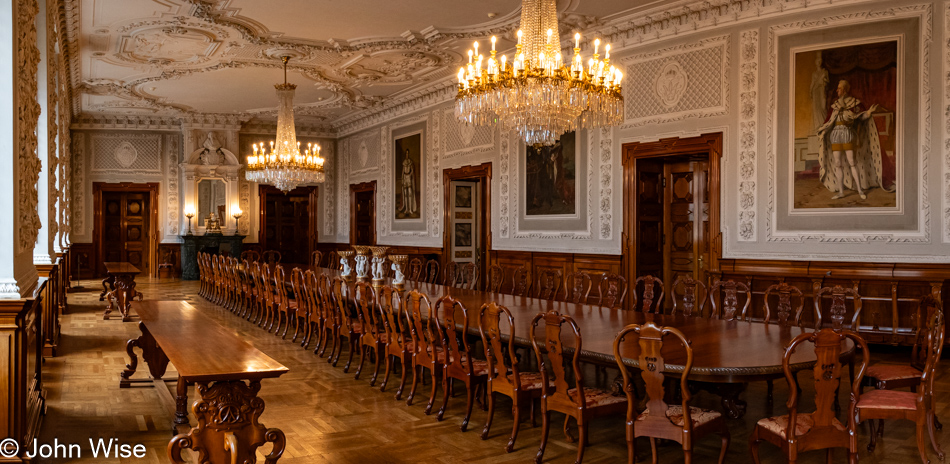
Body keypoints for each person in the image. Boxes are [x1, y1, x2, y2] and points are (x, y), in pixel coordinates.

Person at [815, 79, 886, 200]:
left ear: (845, 90)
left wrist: (868, 113)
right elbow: (828, 121)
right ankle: (841, 192)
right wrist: (822, 132)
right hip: (835, 136)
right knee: (838, 164)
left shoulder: (854, 103)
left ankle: (859, 190)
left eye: (839, 88)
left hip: (848, 134)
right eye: (837, 88)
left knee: (852, 162)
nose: (837, 90)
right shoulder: (835, 106)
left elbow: (860, 117)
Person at [399, 151, 417, 215]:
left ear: (408, 154)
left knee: (409, 193)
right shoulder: (404, 162)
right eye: (406, 153)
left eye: (407, 153)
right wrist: (402, 179)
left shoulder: (410, 162)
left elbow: (412, 170)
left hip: (409, 178)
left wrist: (410, 175)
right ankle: (406, 209)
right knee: (405, 194)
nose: (407, 155)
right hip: (405, 178)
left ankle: (410, 209)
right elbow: (403, 171)